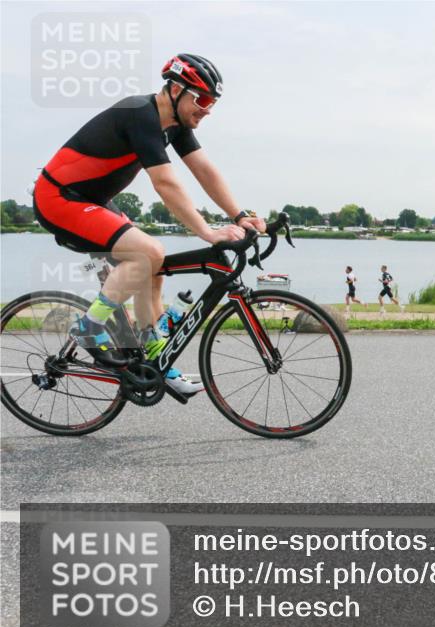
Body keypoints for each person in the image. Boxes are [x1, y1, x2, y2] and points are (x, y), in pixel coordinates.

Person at [32, 53, 266, 395]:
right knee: (148, 252)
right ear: (176, 90)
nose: (207, 110)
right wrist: (207, 232)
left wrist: (240, 215)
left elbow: (204, 170)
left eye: (212, 103)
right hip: (58, 197)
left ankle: (156, 358)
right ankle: (89, 328)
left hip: (93, 200)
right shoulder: (140, 114)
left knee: (154, 267)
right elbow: (165, 184)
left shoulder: (175, 125)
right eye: (202, 100)